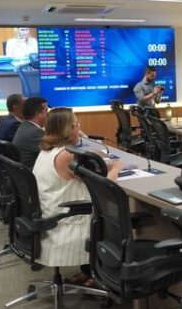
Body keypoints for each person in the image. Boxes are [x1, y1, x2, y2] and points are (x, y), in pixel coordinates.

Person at [33, 107, 122, 270]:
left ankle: (88, 273)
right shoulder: (66, 155)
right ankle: (103, 272)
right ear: (68, 129)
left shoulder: (47, 150)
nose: (79, 129)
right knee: (119, 212)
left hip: (51, 212)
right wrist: (115, 169)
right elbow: (104, 187)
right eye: (77, 125)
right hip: (68, 219)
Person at [12, 96, 48, 169]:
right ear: (38, 114)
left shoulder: (25, 125)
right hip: (32, 172)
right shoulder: (36, 132)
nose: (48, 114)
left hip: (22, 170)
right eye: (46, 111)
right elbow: (54, 152)